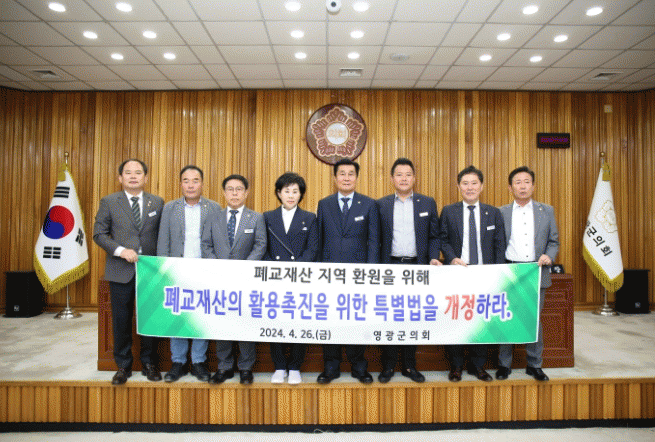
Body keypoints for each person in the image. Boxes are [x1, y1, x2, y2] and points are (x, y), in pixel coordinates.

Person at [93, 159, 164, 385]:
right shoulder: (109, 202)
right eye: (128, 173)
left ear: (146, 177)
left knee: (150, 319)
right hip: (120, 269)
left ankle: (149, 363)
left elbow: (163, 234)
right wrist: (121, 251)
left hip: (150, 271)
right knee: (121, 319)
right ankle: (123, 366)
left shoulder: (157, 202)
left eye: (138, 173)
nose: (133, 176)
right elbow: (99, 234)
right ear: (120, 177)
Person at [376, 158, 442, 383]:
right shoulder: (381, 204)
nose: (404, 178)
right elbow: (375, 238)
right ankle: (388, 367)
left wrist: (433, 257)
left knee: (412, 317)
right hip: (390, 267)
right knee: (389, 317)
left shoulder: (427, 203)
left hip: (417, 267)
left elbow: (434, 236)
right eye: (399, 174)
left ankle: (409, 366)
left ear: (414, 178)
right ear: (392, 178)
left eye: (408, 174)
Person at [439, 165, 506, 382]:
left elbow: (499, 245)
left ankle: (478, 366)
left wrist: (496, 274)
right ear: (458, 186)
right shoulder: (449, 211)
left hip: (484, 276)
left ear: (481, 186)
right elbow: (443, 239)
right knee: (456, 319)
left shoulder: (493, 213)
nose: (470, 187)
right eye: (465, 183)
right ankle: (456, 366)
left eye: (474, 183)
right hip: (457, 274)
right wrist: (451, 258)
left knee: (481, 321)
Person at [316, 158, 379, 384]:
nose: (346, 178)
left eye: (351, 174)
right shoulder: (324, 204)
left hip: (359, 276)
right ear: (335, 178)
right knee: (330, 320)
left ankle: (358, 366)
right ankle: (331, 367)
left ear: (356, 178)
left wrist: (371, 272)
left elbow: (374, 241)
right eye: (342, 173)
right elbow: (319, 239)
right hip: (329, 275)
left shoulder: (369, 204)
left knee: (356, 320)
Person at [157, 165, 221, 383]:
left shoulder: (214, 208)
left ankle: (198, 361)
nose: (191, 185)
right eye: (186, 181)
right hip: (177, 270)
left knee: (201, 316)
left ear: (202, 183)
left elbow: (217, 240)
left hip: (204, 270)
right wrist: (164, 268)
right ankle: (179, 362)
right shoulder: (170, 208)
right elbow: (163, 240)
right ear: (181, 184)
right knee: (178, 315)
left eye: (195, 180)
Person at [201, 174, 267, 385]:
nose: (235, 193)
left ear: (246, 193)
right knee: (223, 322)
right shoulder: (213, 217)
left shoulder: (256, 218)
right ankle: (224, 366)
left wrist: (243, 268)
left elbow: (260, 245)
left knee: (244, 322)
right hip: (219, 279)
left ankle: (246, 367)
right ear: (224, 193)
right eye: (230, 189)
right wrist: (218, 266)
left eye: (239, 189)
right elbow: (206, 245)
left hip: (246, 279)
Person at [496, 166, 559, 382]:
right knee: (507, 319)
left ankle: (534, 365)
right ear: (510, 187)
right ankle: (504, 365)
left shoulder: (546, 211)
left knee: (534, 321)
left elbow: (553, 241)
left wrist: (549, 255)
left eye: (526, 182)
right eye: (518, 182)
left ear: (533, 186)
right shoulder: (501, 212)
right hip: (510, 271)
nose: (522, 186)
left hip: (535, 271)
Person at [263, 172, 318, 384]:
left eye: (295, 191)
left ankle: (295, 366)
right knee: (275, 320)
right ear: (279, 193)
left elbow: (312, 249)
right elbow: (263, 247)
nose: (291, 195)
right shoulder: (267, 217)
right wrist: (275, 270)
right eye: (287, 191)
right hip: (274, 278)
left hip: (300, 278)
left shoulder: (309, 218)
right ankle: (279, 366)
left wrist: (296, 269)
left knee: (299, 321)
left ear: (301, 194)